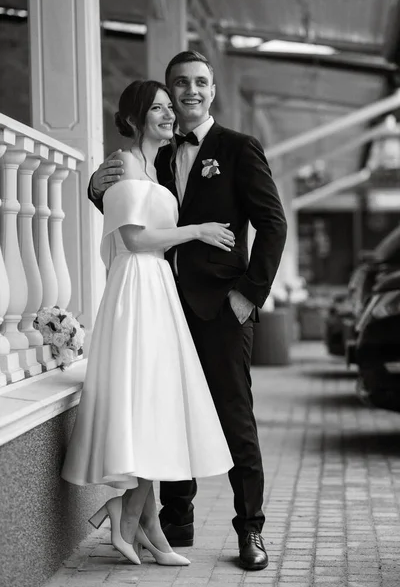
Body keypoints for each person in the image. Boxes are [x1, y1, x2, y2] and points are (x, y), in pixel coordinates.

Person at [89, 50, 287, 571]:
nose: (190, 91)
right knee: (168, 412)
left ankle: (250, 530)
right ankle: (176, 518)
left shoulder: (239, 148)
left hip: (222, 307)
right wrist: (95, 186)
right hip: (162, 305)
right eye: (181, 83)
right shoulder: (152, 153)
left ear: (213, 89)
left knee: (233, 417)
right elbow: (134, 211)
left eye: (200, 82)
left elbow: (274, 224)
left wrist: (249, 295)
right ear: (170, 93)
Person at [61, 79, 235, 567]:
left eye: (168, 107)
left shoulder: (153, 167)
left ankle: (137, 517)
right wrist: (197, 230)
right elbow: (135, 240)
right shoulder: (121, 167)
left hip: (156, 288)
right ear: (134, 118)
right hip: (137, 287)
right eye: (156, 108)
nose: (167, 114)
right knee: (144, 398)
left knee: (154, 402)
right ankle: (131, 516)